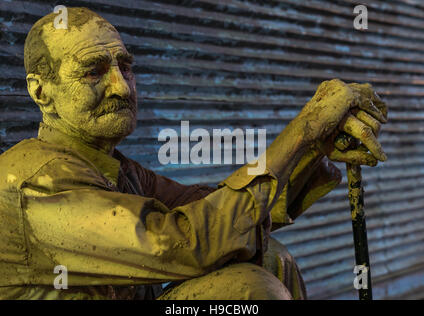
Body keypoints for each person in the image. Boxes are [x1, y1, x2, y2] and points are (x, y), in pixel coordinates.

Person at [0, 7, 387, 300]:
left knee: (270, 258)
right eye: (93, 72)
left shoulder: (117, 171)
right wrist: (304, 130)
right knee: (248, 290)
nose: (122, 87)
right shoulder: (38, 182)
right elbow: (187, 242)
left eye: (125, 67)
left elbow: (218, 212)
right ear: (40, 92)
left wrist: (314, 147)